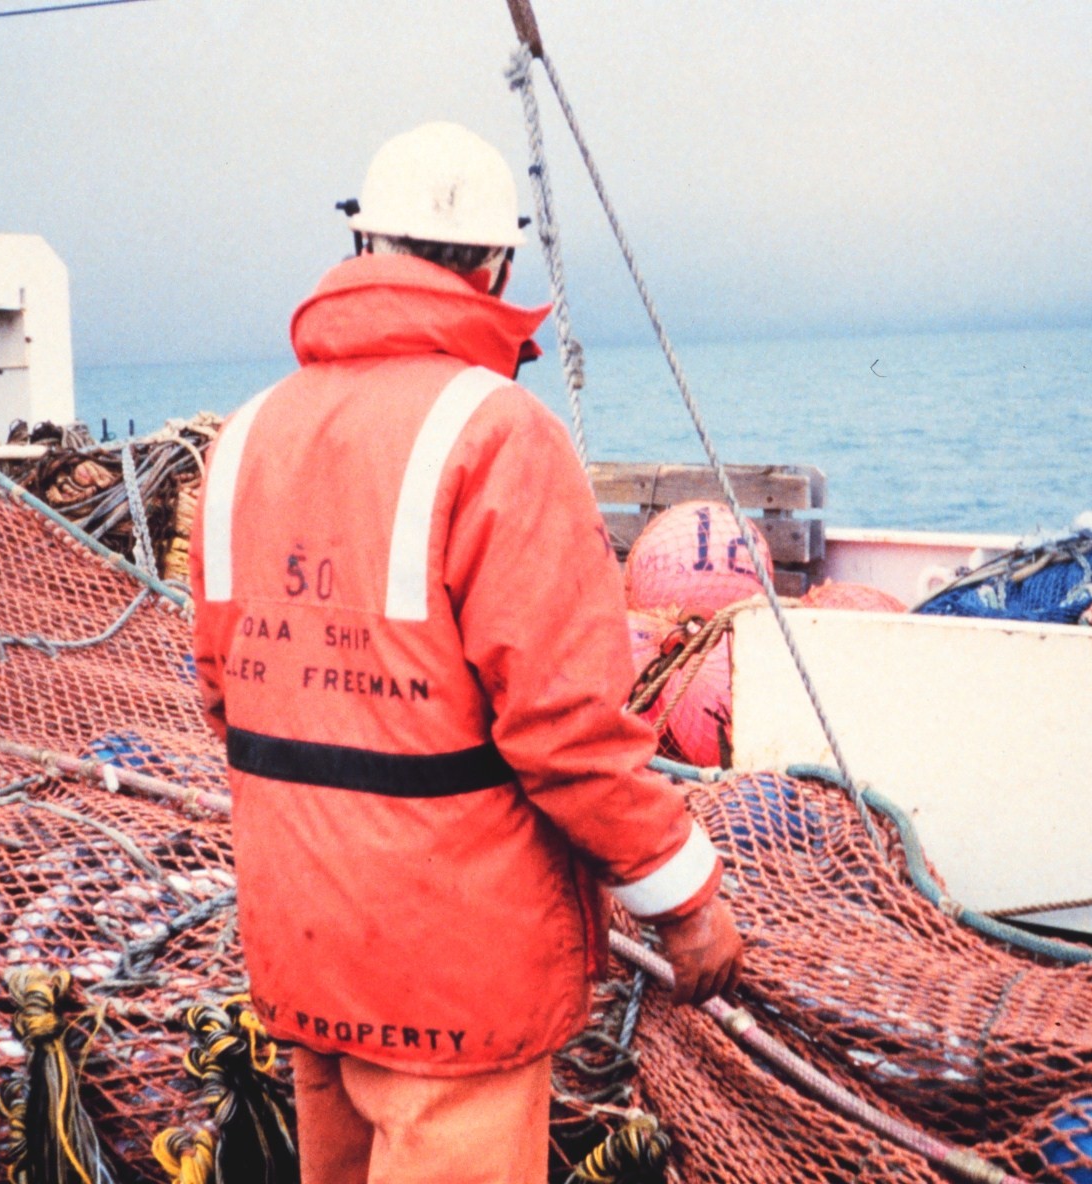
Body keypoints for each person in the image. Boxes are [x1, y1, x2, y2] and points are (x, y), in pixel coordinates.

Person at [188, 121, 744, 1184]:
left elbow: (227, 692)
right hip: (453, 974)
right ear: (496, 267)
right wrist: (684, 900)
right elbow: (566, 729)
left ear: (363, 246)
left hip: (304, 938)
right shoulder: (500, 434)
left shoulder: (246, 434)